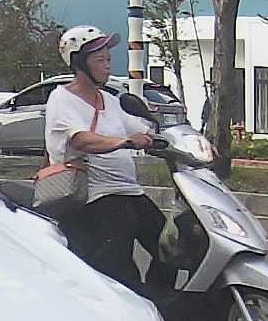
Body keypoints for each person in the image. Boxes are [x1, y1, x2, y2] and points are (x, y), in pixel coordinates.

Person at [44, 25, 179, 301]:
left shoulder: (110, 100)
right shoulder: (61, 99)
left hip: (129, 191)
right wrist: (124, 142)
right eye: (100, 60)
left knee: (170, 248)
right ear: (79, 63)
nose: (107, 66)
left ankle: (158, 304)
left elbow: (142, 128)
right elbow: (81, 139)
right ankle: (130, 311)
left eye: (108, 59)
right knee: (118, 267)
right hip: (96, 196)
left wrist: (174, 138)